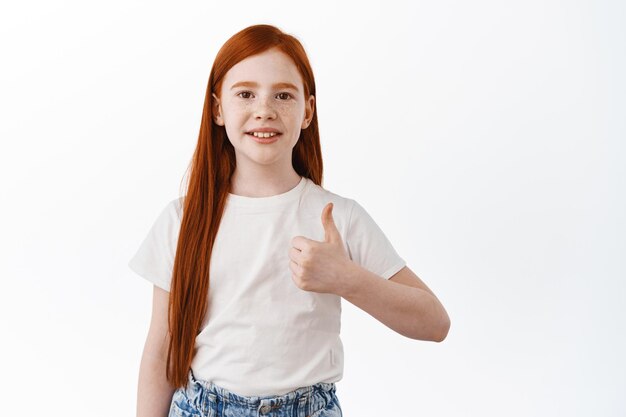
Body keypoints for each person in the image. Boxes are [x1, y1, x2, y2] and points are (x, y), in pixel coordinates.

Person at [128, 23, 450, 417]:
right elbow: (160, 350)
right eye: (245, 94)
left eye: (283, 95)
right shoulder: (182, 220)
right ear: (217, 109)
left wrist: (347, 278)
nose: (264, 109)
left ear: (307, 111)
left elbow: (435, 323)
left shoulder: (336, 217)